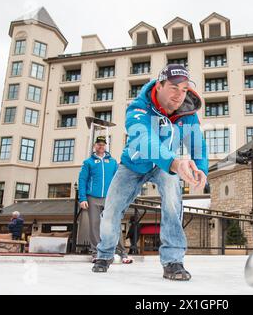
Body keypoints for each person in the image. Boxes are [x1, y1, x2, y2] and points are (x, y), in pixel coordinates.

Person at [92, 64, 208, 281]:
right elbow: (144, 140)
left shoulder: (188, 114)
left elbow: (197, 144)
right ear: (159, 85)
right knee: (111, 211)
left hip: (165, 166)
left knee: (173, 203)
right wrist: (174, 163)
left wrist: (201, 169)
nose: (179, 95)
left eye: (184, 90)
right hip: (133, 166)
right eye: (174, 88)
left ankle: (173, 261)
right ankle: (104, 254)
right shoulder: (138, 108)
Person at [78, 136, 133, 263]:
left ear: (106, 146)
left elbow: (118, 180)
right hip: (92, 198)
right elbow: (82, 180)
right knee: (95, 225)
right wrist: (83, 198)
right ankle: (96, 253)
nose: (101, 146)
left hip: (110, 198)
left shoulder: (113, 162)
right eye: (98, 144)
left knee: (114, 224)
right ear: (95, 146)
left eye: (103, 144)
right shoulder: (88, 162)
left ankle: (122, 253)